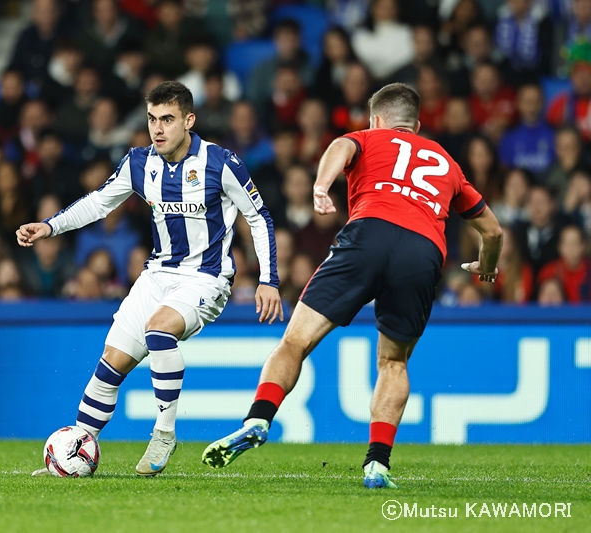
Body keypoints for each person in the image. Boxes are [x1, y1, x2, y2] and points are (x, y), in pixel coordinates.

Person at [202, 83, 503, 490]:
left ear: (376, 120)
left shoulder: (366, 137)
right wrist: (485, 268)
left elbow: (342, 148)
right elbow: (493, 230)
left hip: (369, 233)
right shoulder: (446, 162)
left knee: (295, 342)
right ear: (416, 125)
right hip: (423, 251)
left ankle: (258, 418)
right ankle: (377, 464)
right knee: (393, 363)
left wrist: (321, 186)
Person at [19, 81, 281, 477]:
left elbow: (259, 218)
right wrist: (49, 226)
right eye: (152, 119)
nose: (158, 129)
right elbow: (98, 202)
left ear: (189, 120)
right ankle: (75, 450)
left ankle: (164, 432)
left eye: (168, 120)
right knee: (111, 363)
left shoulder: (221, 163)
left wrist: (269, 279)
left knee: (159, 330)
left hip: (206, 278)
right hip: (157, 275)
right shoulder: (139, 163)